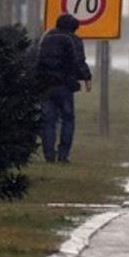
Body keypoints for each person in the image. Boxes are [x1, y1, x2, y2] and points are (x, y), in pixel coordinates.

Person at [36, 13, 93, 163]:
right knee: (68, 118)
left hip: (45, 85)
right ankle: (63, 155)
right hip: (64, 85)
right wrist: (86, 77)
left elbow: (38, 60)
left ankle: (49, 156)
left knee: (48, 120)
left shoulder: (46, 37)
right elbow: (78, 61)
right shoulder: (72, 39)